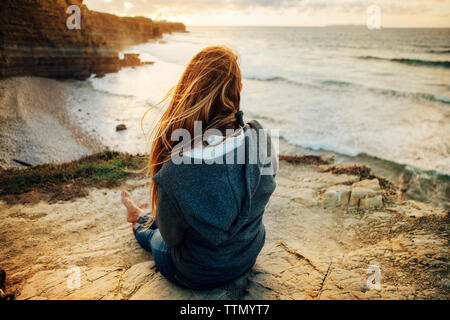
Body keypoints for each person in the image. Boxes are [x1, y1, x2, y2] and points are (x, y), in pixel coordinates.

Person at [121, 46, 278, 290]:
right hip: (247, 255)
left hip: (198, 273)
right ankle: (142, 215)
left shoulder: (177, 167)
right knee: (178, 220)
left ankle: (137, 217)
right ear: (238, 89)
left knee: (159, 236)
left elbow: (172, 240)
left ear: (189, 90)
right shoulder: (261, 137)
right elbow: (263, 192)